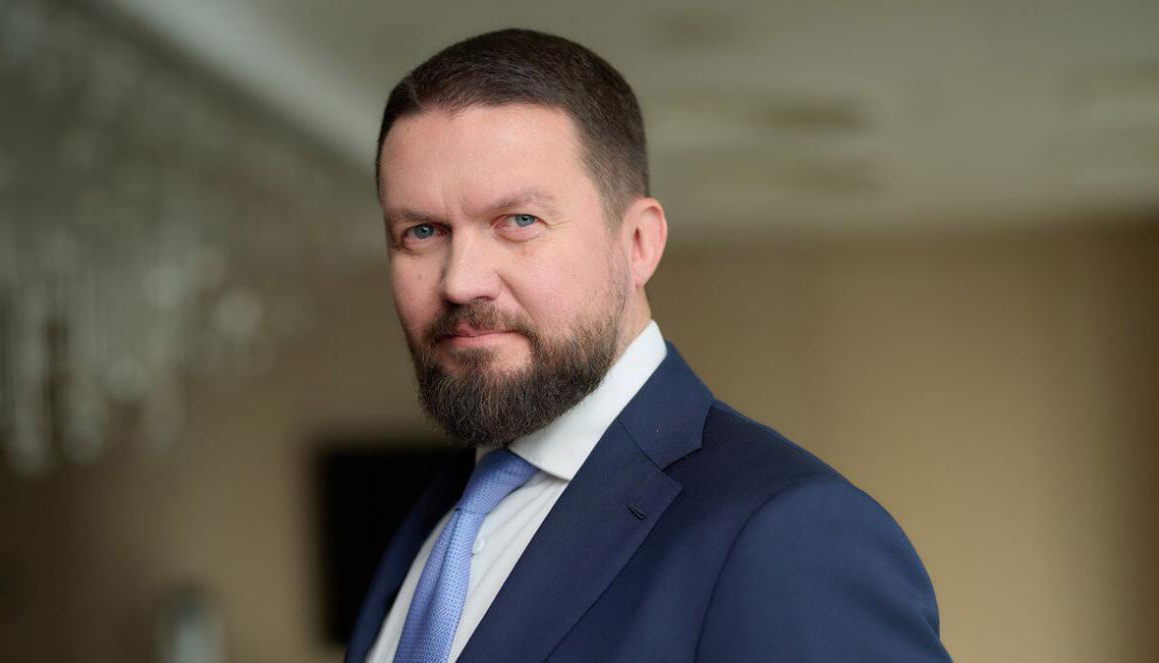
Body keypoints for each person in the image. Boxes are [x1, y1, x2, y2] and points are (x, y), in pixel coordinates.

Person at [346, 28, 951, 663]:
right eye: (421, 232)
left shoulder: (790, 534)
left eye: (519, 221)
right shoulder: (438, 513)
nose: (460, 281)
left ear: (638, 243)